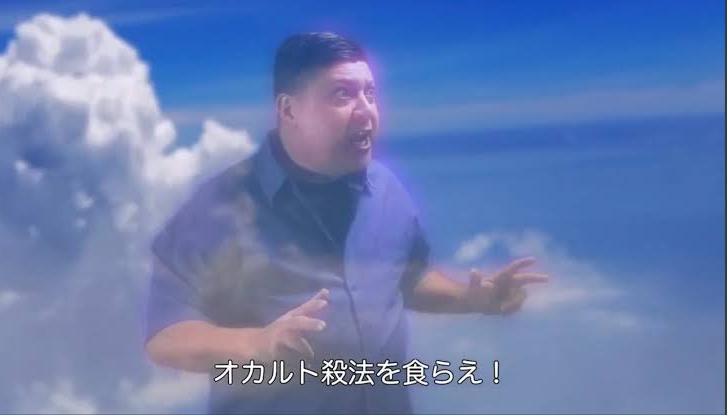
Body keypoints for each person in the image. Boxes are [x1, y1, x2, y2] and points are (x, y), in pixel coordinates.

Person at [143, 31, 549, 414]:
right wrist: (255, 343)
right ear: (289, 110)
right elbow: (164, 337)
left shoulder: (388, 190)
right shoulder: (219, 207)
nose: (366, 110)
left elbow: (406, 278)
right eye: (342, 94)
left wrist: (471, 299)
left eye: (369, 93)